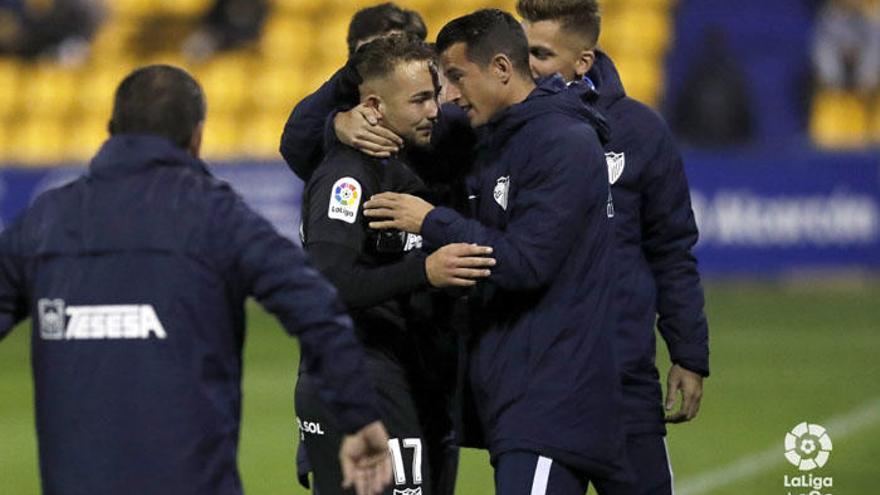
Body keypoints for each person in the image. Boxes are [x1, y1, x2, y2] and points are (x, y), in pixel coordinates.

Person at [0, 64, 392, 495]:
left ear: (111, 129)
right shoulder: (218, 217)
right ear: (197, 136)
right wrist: (359, 417)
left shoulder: (44, 220)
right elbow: (317, 305)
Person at [363, 9, 630, 494]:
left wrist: (429, 221)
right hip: (516, 398)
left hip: (551, 402)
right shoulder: (490, 137)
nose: (450, 94)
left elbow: (526, 262)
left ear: (503, 69)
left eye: (457, 77)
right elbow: (300, 146)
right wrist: (339, 125)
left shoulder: (562, 143)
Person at [515, 1, 711, 492]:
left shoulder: (641, 132)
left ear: (583, 61)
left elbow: (670, 249)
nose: (527, 65)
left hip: (626, 381)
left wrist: (688, 353)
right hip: (541, 388)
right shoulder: (499, 128)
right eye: (523, 51)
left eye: (540, 53)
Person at [295, 34, 494, 495]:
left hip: (399, 372)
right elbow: (325, 284)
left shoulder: (404, 167)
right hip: (359, 375)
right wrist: (424, 271)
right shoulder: (346, 177)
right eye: (420, 100)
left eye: (435, 97)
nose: (433, 111)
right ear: (374, 106)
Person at [279, 2, 427, 182]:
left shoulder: (440, 102)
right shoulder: (339, 111)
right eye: (372, 52)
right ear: (352, 59)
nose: (383, 62)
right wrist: (333, 127)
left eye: (397, 50)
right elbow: (295, 145)